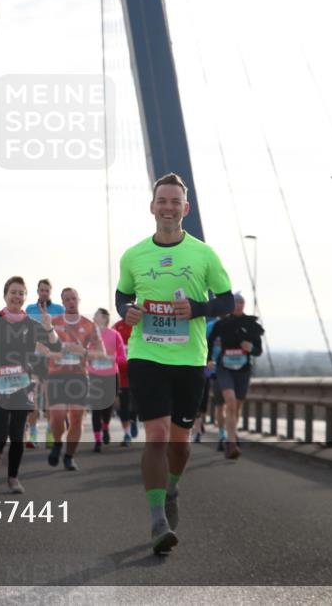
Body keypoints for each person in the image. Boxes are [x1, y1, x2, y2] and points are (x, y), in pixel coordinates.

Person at [116, 173, 233, 555]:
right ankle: (157, 521)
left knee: (179, 443)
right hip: (146, 354)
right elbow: (122, 296)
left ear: (186, 208)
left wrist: (197, 308)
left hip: (188, 359)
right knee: (157, 435)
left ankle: (171, 488)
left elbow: (226, 301)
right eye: (162, 201)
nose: (168, 208)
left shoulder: (204, 254)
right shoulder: (133, 255)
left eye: (175, 202)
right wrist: (128, 310)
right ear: (152, 207)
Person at [0, 276, 60, 494]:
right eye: (13, 292)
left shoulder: (31, 324)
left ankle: (13, 477)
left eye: (21, 293)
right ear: (5, 296)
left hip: (23, 384)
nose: (17, 296)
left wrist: (49, 327)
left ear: (25, 297)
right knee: (0, 431)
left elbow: (55, 345)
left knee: (17, 433)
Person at [45, 288, 101, 471]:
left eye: (73, 298)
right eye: (67, 299)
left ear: (79, 300)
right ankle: (57, 443)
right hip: (56, 376)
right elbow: (38, 345)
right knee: (57, 416)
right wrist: (51, 354)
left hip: (78, 377)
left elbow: (101, 353)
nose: (71, 302)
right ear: (62, 302)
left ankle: (69, 456)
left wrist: (83, 351)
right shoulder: (54, 322)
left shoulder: (89, 325)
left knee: (76, 419)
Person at [208, 293, 264, 459]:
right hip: (223, 369)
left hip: (243, 370)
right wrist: (208, 360)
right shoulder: (221, 324)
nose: (238, 305)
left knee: (236, 407)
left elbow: (258, 351)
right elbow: (209, 343)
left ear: (244, 305)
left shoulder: (251, 325)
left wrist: (251, 348)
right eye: (235, 303)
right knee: (229, 403)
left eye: (241, 302)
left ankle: (230, 434)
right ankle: (230, 442)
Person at [24, 279, 64, 448]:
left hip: (51, 359)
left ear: (50, 292)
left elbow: (62, 333)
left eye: (47, 290)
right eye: (42, 290)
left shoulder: (59, 310)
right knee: (31, 397)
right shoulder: (29, 309)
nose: (44, 293)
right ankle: (33, 432)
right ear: (37, 291)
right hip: (33, 358)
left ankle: (49, 431)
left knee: (49, 399)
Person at [88, 308, 126, 453]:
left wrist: (110, 358)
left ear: (104, 318)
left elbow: (123, 358)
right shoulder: (90, 335)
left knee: (107, 407)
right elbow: (84, 354)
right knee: (96, 408)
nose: (93, 317)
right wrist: (92, 355)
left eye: (96, 315)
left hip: (111, 376)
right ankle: (97, 441)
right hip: (94, 375)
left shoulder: (115, 335)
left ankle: (105, 427)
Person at [111, 317, 136, 445]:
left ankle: (133, 419)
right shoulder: (116, 327)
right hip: (122, 373)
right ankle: (127, 434)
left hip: (137, 370)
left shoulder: (140, 324)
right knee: (123, 405)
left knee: (137, 401)